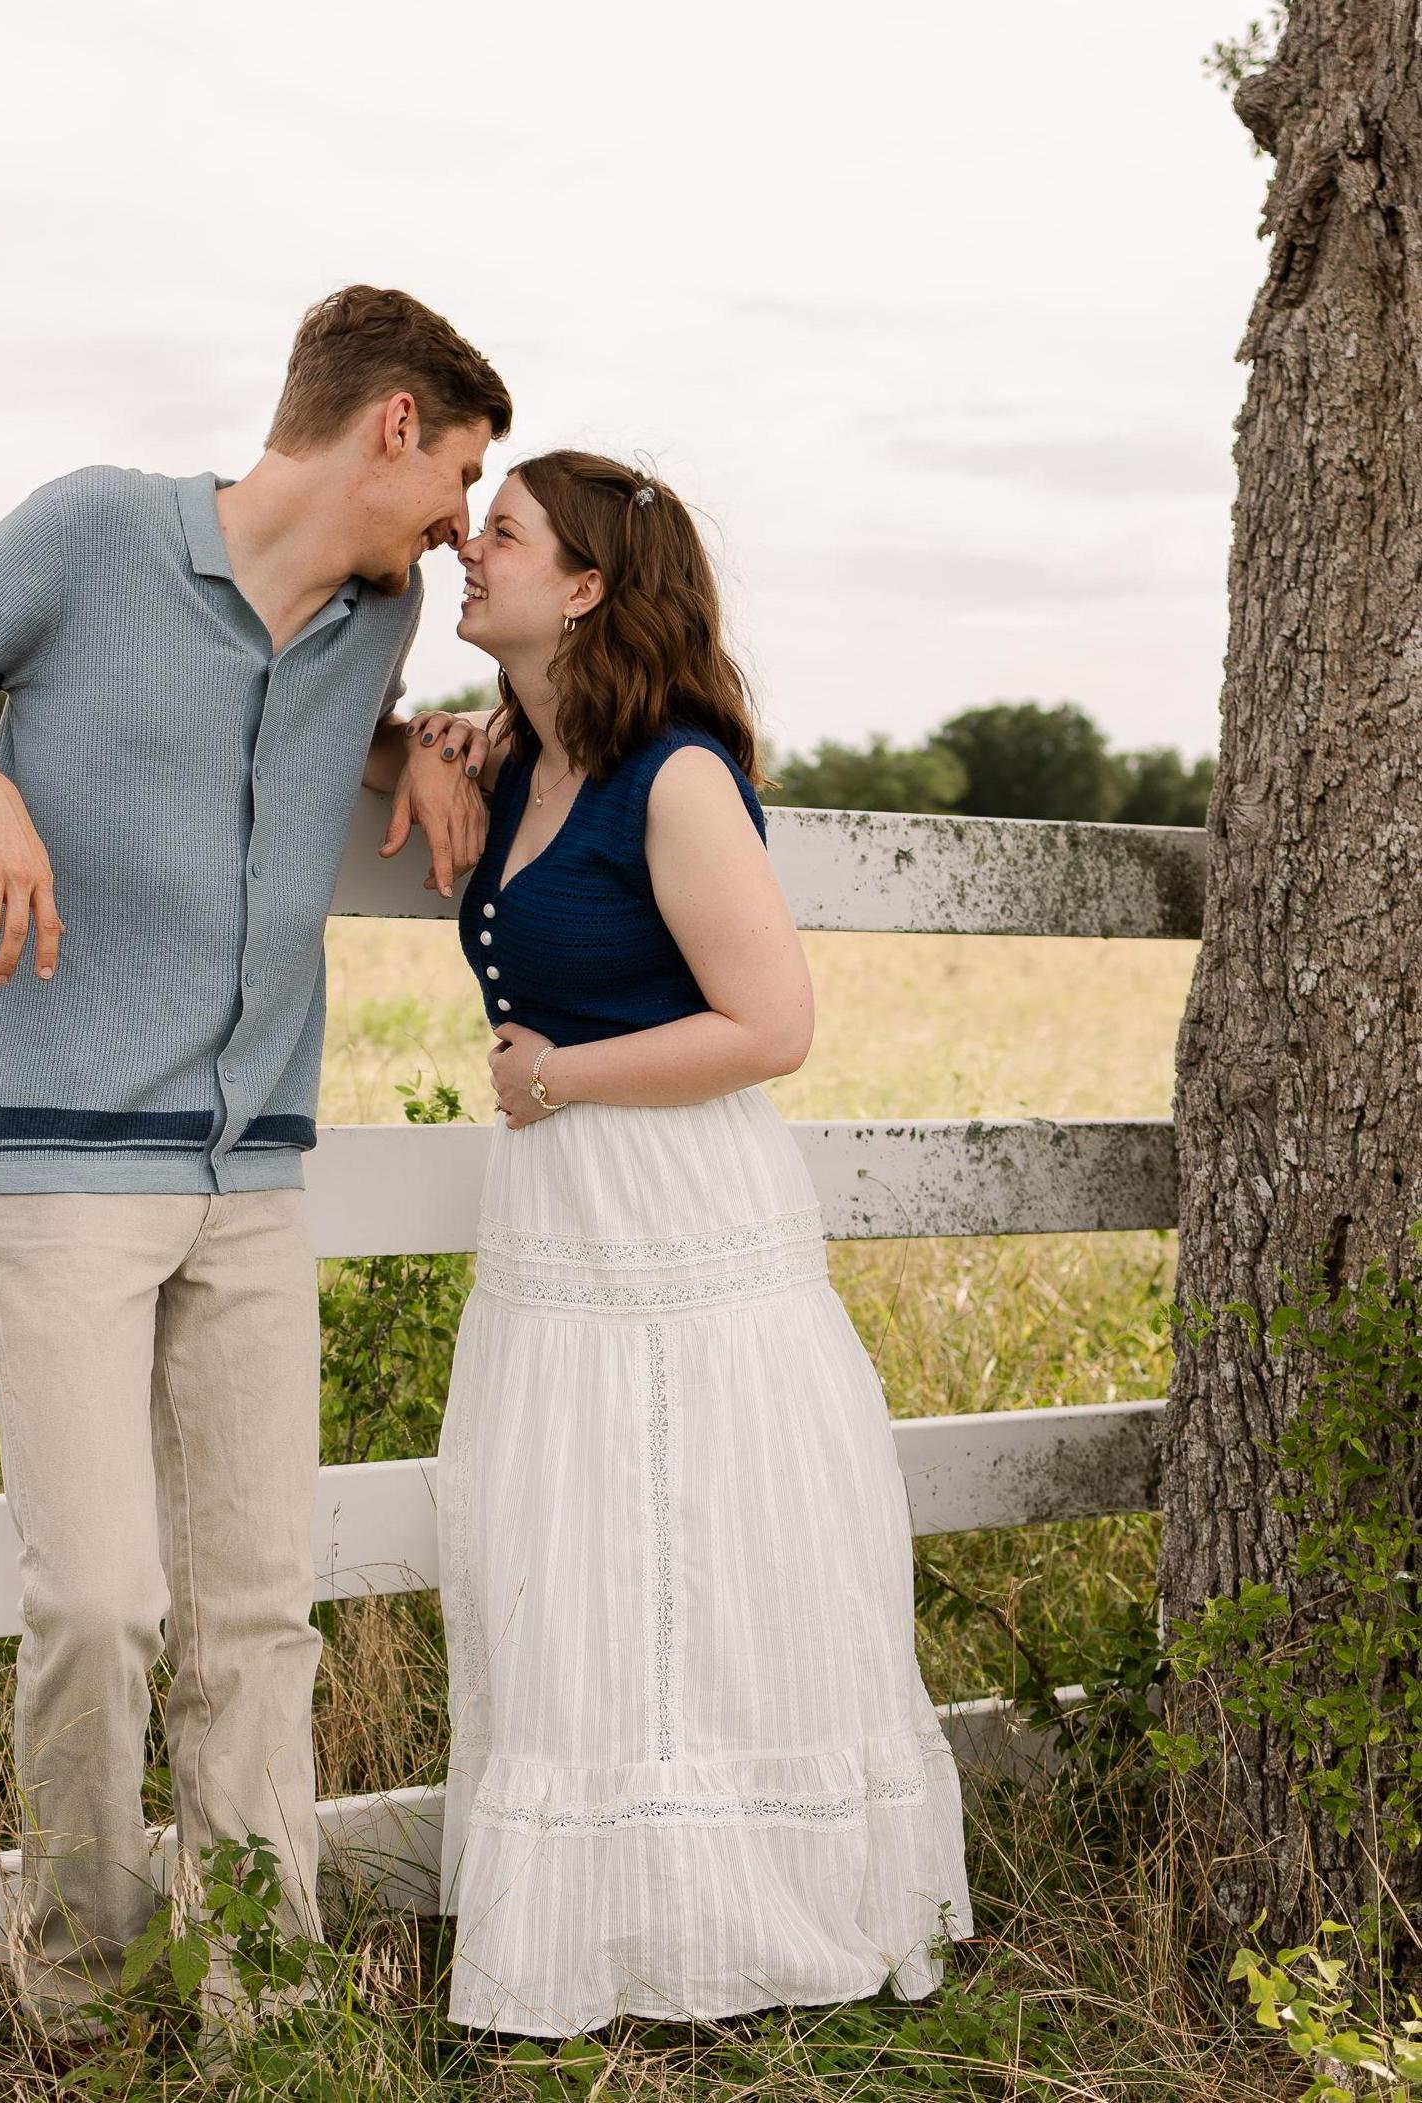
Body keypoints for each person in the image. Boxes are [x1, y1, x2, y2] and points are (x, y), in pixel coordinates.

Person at [0, 286, 509, 2036]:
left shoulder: (385, 606)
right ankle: (84, 1988)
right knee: (104, 1603)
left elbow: (296, 736)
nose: (463, 521)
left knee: (261, 1611)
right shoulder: (96, 527)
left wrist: (411, 748)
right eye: (463, 471)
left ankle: (266, 1998)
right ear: (393, 425)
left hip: (256, 1171)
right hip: (55, 1163)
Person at [406, 450, 972, 2037]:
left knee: (709, 1551)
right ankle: (620, 1928)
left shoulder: (677, 776)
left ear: (582, 586)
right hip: (560, 1226)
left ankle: (760, 1921)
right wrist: (433, 744)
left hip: (683, 1207)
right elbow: (410, 739)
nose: (469, 548)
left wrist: (561, 1076)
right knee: (578, 1546)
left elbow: (774, 1024)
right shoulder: (527, 762)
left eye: (499, 534)